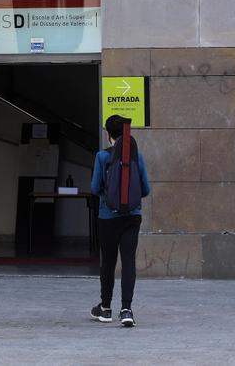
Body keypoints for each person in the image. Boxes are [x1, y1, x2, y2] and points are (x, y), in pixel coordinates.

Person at [90, 114, 151, 328]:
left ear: (108, 134)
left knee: (107, 262)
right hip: (132, 217)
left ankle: (105, 308)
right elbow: (146, 189)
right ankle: (127, 310)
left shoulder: (101, 157)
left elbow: (95, 188)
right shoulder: (137, 157)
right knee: (128, 262)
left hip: (108, 217)